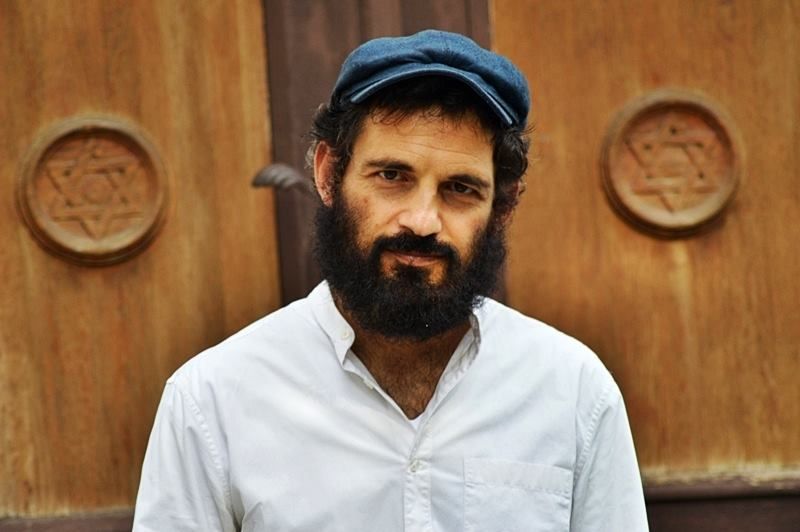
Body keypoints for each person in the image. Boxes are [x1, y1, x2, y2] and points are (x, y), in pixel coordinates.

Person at [133, 30, 649, 531]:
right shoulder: (212, 401)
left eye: (460, 188)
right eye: (391, 176)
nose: (422, 221)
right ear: (328, 174)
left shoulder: (573, 391)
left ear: (504, 206)